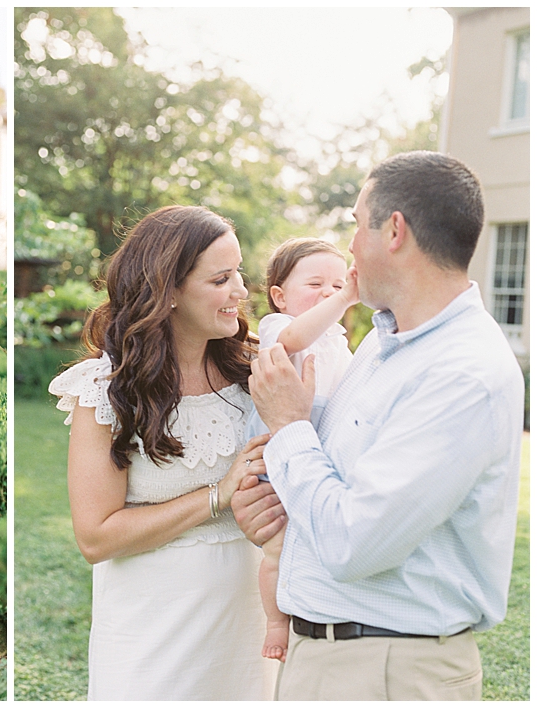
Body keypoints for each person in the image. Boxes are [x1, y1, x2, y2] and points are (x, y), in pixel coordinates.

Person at [233, 151, 524, 700]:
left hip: (386, 672)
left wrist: (289, 426)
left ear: (393, 230)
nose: (349, 248)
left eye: (354, 225)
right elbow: (334, 482)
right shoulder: (383, 343)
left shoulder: (462, 373)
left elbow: (355, 544)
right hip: (322, 656)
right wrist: (274, 505)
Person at [49, 205, 277, 700]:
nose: (241, 291)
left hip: (249, 622)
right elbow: (96, 537)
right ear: (167, 290)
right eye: (221, 279)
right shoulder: (106, 389)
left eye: (239, 272)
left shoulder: (256, 371)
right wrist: (218, 494)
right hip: (151, 631)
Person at [244, 237, 359, 661]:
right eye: (316, 284)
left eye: (336, 285)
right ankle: (276, 623)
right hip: (277, 455)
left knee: (312, 540)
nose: (328, 294)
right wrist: (347, 296)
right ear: (279, 295)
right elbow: (294, 339)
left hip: (319, 453)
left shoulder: (337, 338)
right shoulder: (279, 326)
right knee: (276, 545)